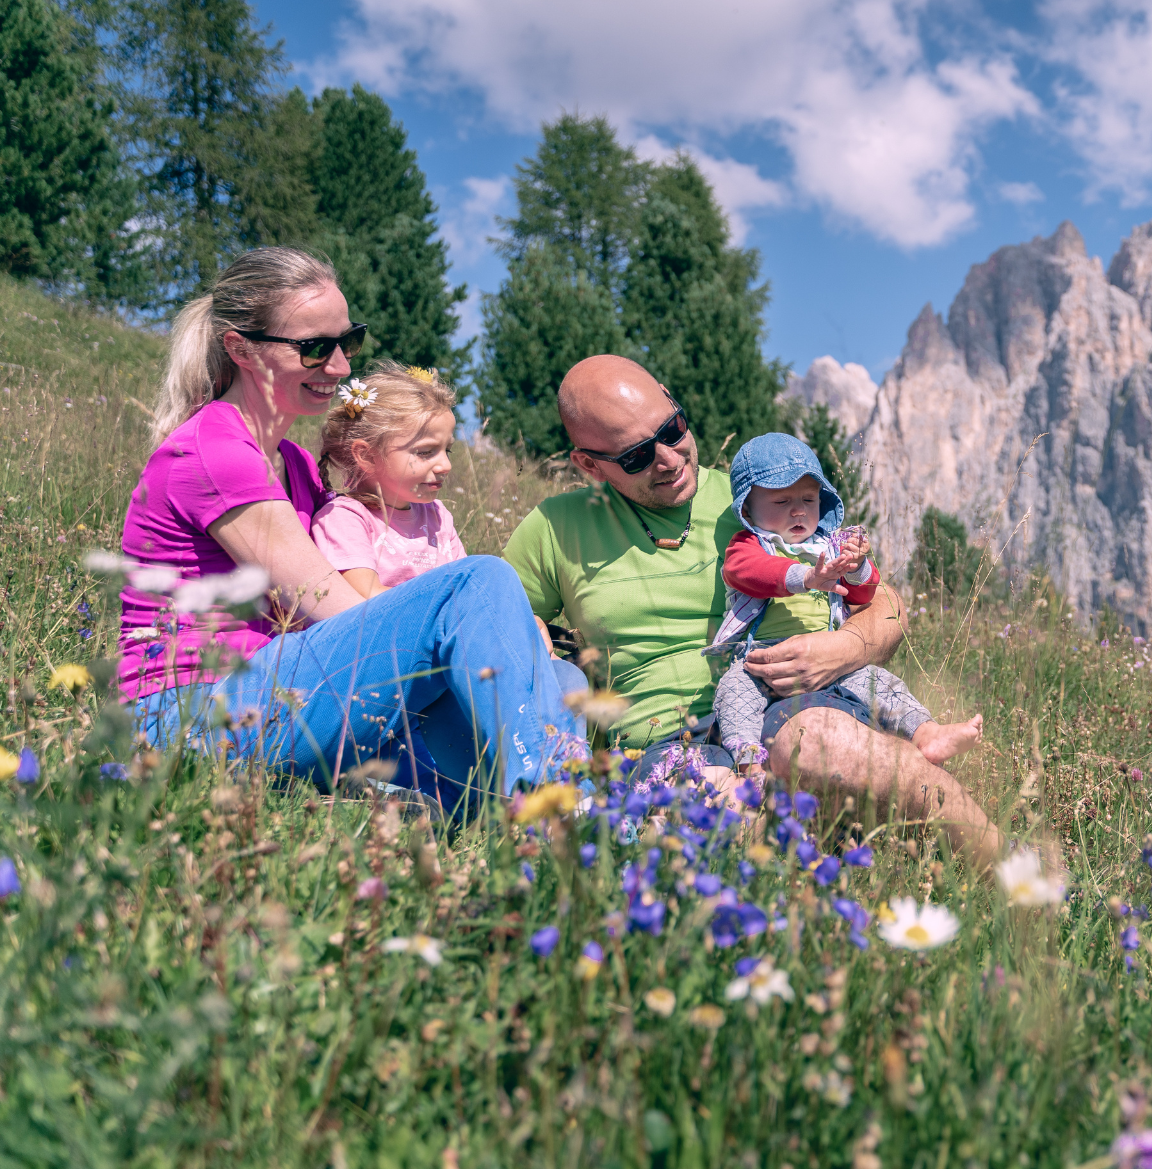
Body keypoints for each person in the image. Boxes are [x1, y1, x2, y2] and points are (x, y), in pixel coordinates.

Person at [115, 247, 585, 813]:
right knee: (478, 583)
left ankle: (579, 815)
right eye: (314, 348)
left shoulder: (294, 462)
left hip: (281, 693)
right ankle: (558, 814)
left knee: (550, 683)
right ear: (240, 349)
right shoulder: (216, 451)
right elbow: (339, 613)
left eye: (348, 341)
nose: (339, 367)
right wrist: (476, 614)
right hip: (192, 713)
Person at [503, 355, 1000, 863]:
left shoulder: (760, 497)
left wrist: (843, 646)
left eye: (672, 430)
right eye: (635, 457)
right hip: (665, 735)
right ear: (589, 464)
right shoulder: (554, 527)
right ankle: (812, 863)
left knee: (834, 742)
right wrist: (531, 628)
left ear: (674, 403)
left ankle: (1014, 872)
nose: (670, 459)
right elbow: (496, 618)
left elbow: (884, 604)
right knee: (713, 820)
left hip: (785, 703)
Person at [709, 431, 982, 765]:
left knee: (881, 683)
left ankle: (928, 734)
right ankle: (747, 761)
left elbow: (864, 593)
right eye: (782, 502)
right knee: (734, 693)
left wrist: (855, 566)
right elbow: (747, 571)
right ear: (748, 512)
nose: (798, 512)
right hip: (760, 660)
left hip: (828, 659)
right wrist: (806, 577)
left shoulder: (829, 545)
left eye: (808, 501)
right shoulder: (750, 544)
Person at [310, 362, 465, 598]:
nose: (446, 466)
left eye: (448, 451)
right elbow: (364, 597)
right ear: (367, 456)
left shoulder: (439, 517)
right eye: (425, 452)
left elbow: (467, 587)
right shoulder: (344, 519)